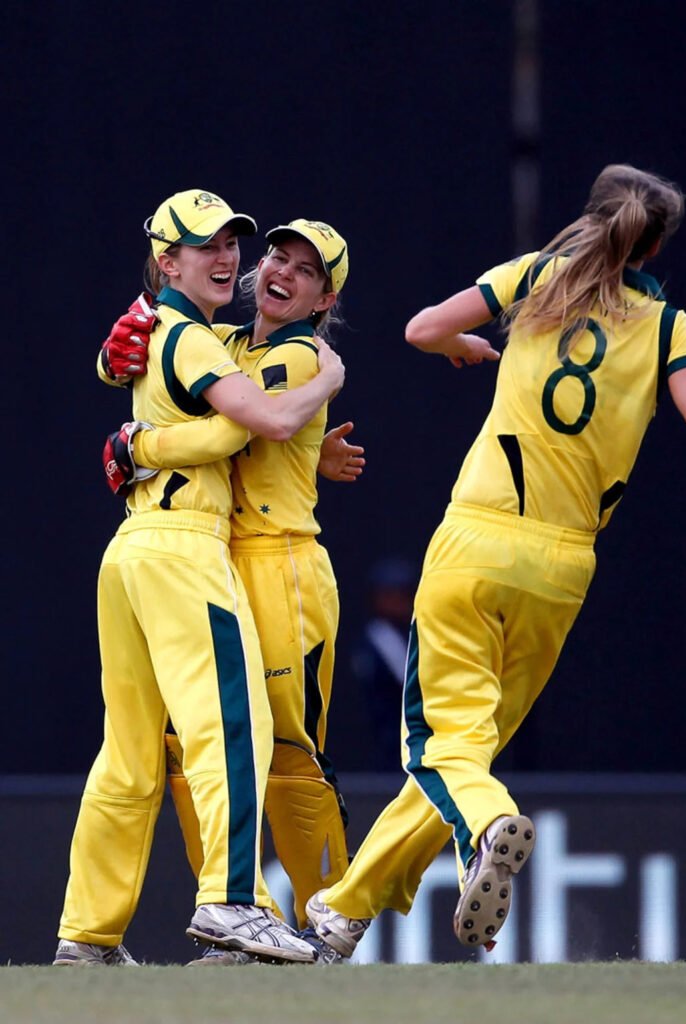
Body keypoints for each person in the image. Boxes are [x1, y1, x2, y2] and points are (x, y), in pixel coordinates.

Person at [294, 164, 686, 961]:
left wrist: (465, 346)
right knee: (463, 751)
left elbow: (421, 328)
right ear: (655, 243)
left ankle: (487, 824)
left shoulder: (539, 277)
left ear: (596, 220)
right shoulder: (669, 326)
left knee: (444, 752)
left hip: (479, 537)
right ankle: (344, 913)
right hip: (564, 568)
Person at [54, 190, 344, 967]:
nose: (229, 257)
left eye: (230, 243)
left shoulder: (164, 327)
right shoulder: (194, 336)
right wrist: (326, 383)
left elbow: (141, 377)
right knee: (233, 734)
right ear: (166, 258)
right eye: (204, 245)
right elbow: (268, 421)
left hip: (132, 552)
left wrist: (140, 442)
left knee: (130, 756)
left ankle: (86, 934)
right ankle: (234, 904)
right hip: (187, 552)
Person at [350, 558, 417, 771]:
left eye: (403, 594)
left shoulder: (412, 632)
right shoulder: (378, 638)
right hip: (387, 742)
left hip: (414, 741)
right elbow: (408, 679)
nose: (398, 601)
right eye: (389, 594)